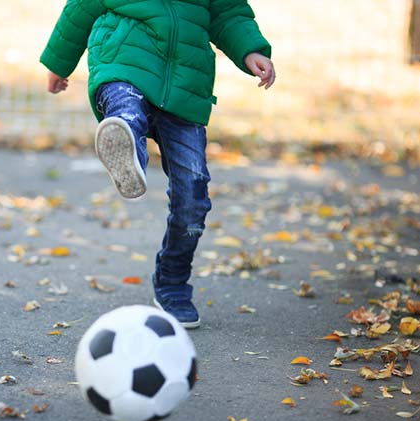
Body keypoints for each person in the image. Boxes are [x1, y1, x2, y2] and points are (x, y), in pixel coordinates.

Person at [40, 0, 275, 329]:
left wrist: (250, 50)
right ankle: (127, 148)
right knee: (127, 109)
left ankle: (172, 282)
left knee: (193, 198)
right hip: (124, 64)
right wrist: (58, 63)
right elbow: (80, 9)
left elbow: (229, 12)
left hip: (184, 87)